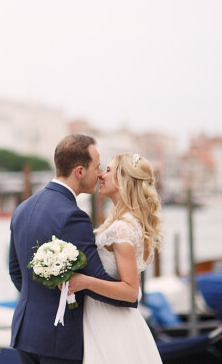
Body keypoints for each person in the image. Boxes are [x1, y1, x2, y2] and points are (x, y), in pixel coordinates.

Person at [8, 134, 137, 364]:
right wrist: (127, 298)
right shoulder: (73, 217)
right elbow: (94, 280)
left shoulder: (22, 209)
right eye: (96, 167)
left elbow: (16, 272)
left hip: (25, 332)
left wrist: (43, 300)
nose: (99, 174)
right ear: (79, 171)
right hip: (59, 338)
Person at [66, 152, 164, 363]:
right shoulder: (132, 223)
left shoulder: (122, 228)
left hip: (109, 322)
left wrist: (84, 282)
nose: (101, 175)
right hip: (118, 321)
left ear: (124, 179)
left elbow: (130, 291)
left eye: (108, 170)